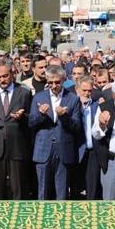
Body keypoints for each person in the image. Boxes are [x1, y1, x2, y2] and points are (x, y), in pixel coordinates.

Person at [0, 61, 33, 200]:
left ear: (12, 74)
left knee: (19, 188)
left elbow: (32, 118)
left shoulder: (24, 92)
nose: (2, 80)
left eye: (5, 76)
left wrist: (23, 116)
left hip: (17, 146)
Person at [28, 65, 82, 200]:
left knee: (62, 190)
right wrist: (41, 115)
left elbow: (76, 127)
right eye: (50, 82)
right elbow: (31, 123)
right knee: (43, 190)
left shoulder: (73, 98)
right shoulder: (39, 97)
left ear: (64, 80)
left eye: (57, 82)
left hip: (64, 148)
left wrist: (64, 116)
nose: (53, 85)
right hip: (43, 149)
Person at [71, 75, 101, 200]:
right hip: (76, 150)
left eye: (90, 91)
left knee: (92, 186)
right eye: (84, 91)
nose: (87, 93)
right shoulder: (71, 105)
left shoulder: (97, 105)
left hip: (92, 151)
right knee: (75, 185)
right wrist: (80, 107)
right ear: (77, 90)